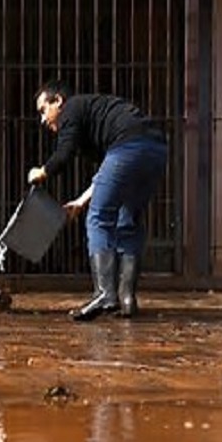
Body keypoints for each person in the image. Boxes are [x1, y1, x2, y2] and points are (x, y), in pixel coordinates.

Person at [26, 80, 167, 320]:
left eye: (43, 110)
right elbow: (109, 171)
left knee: (98, 218)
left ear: (58, 101)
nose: (43, 120)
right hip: (156, 150)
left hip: (128, 146)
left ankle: (104, 293)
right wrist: (81, 201)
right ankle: (126, 299)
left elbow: (64, 153)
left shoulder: (71, 110)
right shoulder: (93, 120)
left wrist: (43, 171)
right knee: (127, 221)